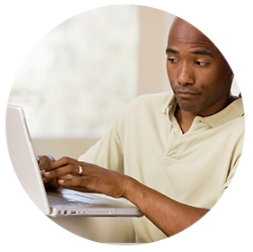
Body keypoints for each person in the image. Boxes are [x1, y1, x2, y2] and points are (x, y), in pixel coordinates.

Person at [38, 17, 244, 242]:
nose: (183, 78)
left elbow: (224, 236)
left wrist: (127, 187)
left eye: (200, 63)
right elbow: (89, 176)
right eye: (173, 59)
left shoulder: (242, 133)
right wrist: (52, 174)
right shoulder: (140, 111)